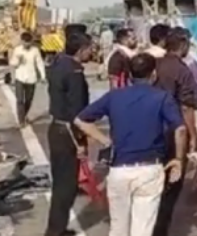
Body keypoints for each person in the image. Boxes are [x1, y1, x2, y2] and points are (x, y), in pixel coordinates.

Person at [73, 53, 187, 236]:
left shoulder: (114, 96)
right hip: (149, 169)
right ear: (154, 74)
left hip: (119, 170)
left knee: (118, 228)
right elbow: (180, 129)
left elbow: (80, 120)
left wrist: (105, 140)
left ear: (130, 75)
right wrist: (179, 160)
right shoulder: (162, 98)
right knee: (142, 229)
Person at [152, 27, 197, 236]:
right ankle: (160, 229)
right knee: (172, 183)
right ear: (182, 46)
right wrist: (194, 136)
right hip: (173, 132)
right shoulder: (183, 71)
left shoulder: (155, 65)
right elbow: (186, 107)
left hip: (151, 131)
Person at [45, 33, 94, 236]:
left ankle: (57, 227)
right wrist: (81, 140)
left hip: (56, 128)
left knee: (61, 182)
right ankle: (55, 231)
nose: (92, 52)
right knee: (67, 186)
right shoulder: (74, 72)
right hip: (68, 132)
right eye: (90, 48)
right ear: (81, 49)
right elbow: (77, 111)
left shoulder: (58, 63)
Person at [12, 31, 46, 126]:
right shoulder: (17, 50)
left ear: (31, 42)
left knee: (28, 100)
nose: (27, 44)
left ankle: (24, 115)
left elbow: (39, 63)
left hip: (31, 79)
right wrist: (18, 61)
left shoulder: (35, 50)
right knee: (19, 100)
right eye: (25, 42)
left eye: (28, 42)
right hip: (20, 78)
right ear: (22, 41)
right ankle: (21, 121)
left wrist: (43, 76)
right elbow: (13, 64)